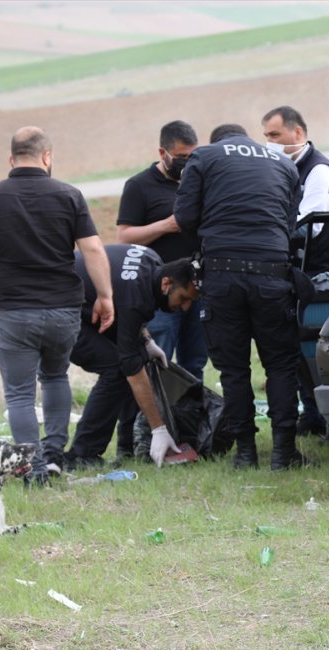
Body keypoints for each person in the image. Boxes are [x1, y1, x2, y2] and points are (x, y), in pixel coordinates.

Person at [0, 126, 114, 489]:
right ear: (47, 157)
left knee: (18, 393)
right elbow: (92, 249)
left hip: (13, 312)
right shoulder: (69, 195)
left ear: (11, 160)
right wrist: (106, 296)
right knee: (56, 376)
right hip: (63, 310)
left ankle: (34, 470)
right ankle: (55, 453)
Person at [173, 123, 306, 470]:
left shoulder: (205, 156)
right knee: (280, 365)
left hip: (222, 275)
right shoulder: (284, 164)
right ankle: (283, 453)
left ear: (218, 141)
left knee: (233, 369)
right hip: (273, 274)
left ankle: (245, 452)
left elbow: (185, 217)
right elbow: (289, 225)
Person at [61, 243, 199, 470]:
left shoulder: (152, 261)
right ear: (166, 284)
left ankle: (128, 447)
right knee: (117, 368)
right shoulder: (137, 295)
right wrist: (159, 428)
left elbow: (128, 306)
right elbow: (131, 367)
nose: (185, 307)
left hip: (80, 302)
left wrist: (146, 341)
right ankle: (81, 455)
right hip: (55, 310)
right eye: (184, 298)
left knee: (133, 358)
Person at [116, 120, 207, 460]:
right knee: (152, 369)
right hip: (159, 296)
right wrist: (169, 224)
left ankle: (185, 431)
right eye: (181, 156)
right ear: (163, 153)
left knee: (193, 366)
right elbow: (124, 237)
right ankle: (138, 442)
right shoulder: (139, 186)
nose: (187, 162)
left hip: (194, 293)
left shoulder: (198, 180)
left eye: (192, 155)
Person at [261, 105, 329, 438]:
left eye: (275, 135)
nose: (269, 142)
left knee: (316, 348)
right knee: (295, 347)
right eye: (266, 136)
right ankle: (310, 414)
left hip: (321, 276)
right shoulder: (281, 167)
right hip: (296, 273)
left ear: (297, 133)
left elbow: (309, 225)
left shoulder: (319, 171)